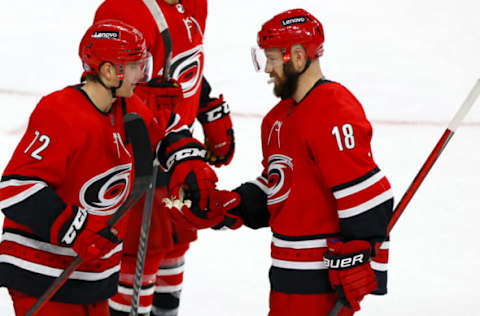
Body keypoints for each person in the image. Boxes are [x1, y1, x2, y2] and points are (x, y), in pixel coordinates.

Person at [174, 8, 394, 316]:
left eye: (273, 57)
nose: (267, 68)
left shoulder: (332, 108)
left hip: (323, 281)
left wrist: (363, 259)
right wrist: (230, 205)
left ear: (299, 57)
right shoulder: (276, 120)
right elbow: (280, 186)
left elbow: (368, 195)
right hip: (285, 274)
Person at [0, 19, 219, 316]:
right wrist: (77, 229)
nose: (141, 75)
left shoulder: (126, 108)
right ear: (108, 71)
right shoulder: (59, 113)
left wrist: (189, 163)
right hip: (43, 276)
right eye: (134, 66)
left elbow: (161, 136)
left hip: (94, 277)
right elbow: (15, 188)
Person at [93, 1, 235, 315]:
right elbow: (117, 90)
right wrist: (174, 138)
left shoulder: (194, 5)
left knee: (173, 244)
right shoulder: (125, 9)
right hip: (139, 155)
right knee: (140, 256)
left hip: (175, 152)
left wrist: (206, 105)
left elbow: (179, 68)